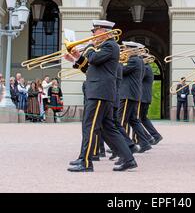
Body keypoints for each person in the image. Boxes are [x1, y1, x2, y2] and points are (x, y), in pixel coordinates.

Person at [66, 20, 137, 172]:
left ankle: (85, 162)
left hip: (100, 92)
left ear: (105, 31)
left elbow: (93, 59)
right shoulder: (103, 48)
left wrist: (89, 46)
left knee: (90, 126)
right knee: (108, 129)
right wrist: (77, 58)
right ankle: (128, 159)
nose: (92, 34)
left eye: (95, 30)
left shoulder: (110, 45)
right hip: (99, 90)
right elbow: (90, 68)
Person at [118, 42, 152, 154]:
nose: (124, 50)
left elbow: (120, 71)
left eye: (126, 48)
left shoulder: (133, 60)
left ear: (131, 50)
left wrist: (115, 61)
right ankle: (145, 142)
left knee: (120, 121)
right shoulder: (138, 60)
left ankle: (124, 147)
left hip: (128, 94)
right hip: (132, 94)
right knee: (133, 120)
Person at [139, 59, 163, 144]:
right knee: (143, 119)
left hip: (142, 98)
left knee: (136, 120)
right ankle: (155, 136)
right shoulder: (147, 67)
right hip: (145, 97)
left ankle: (147, 138)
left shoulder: (145, 68)